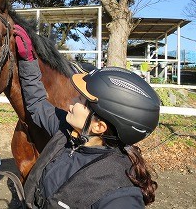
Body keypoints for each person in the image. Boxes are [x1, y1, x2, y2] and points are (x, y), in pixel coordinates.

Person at [13, 25, 160, 209]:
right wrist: (28, 60)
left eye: (81, 101)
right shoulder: (66, 134)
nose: (70, 103)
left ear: (99, 127)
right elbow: (37, 103)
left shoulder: (118, 194)